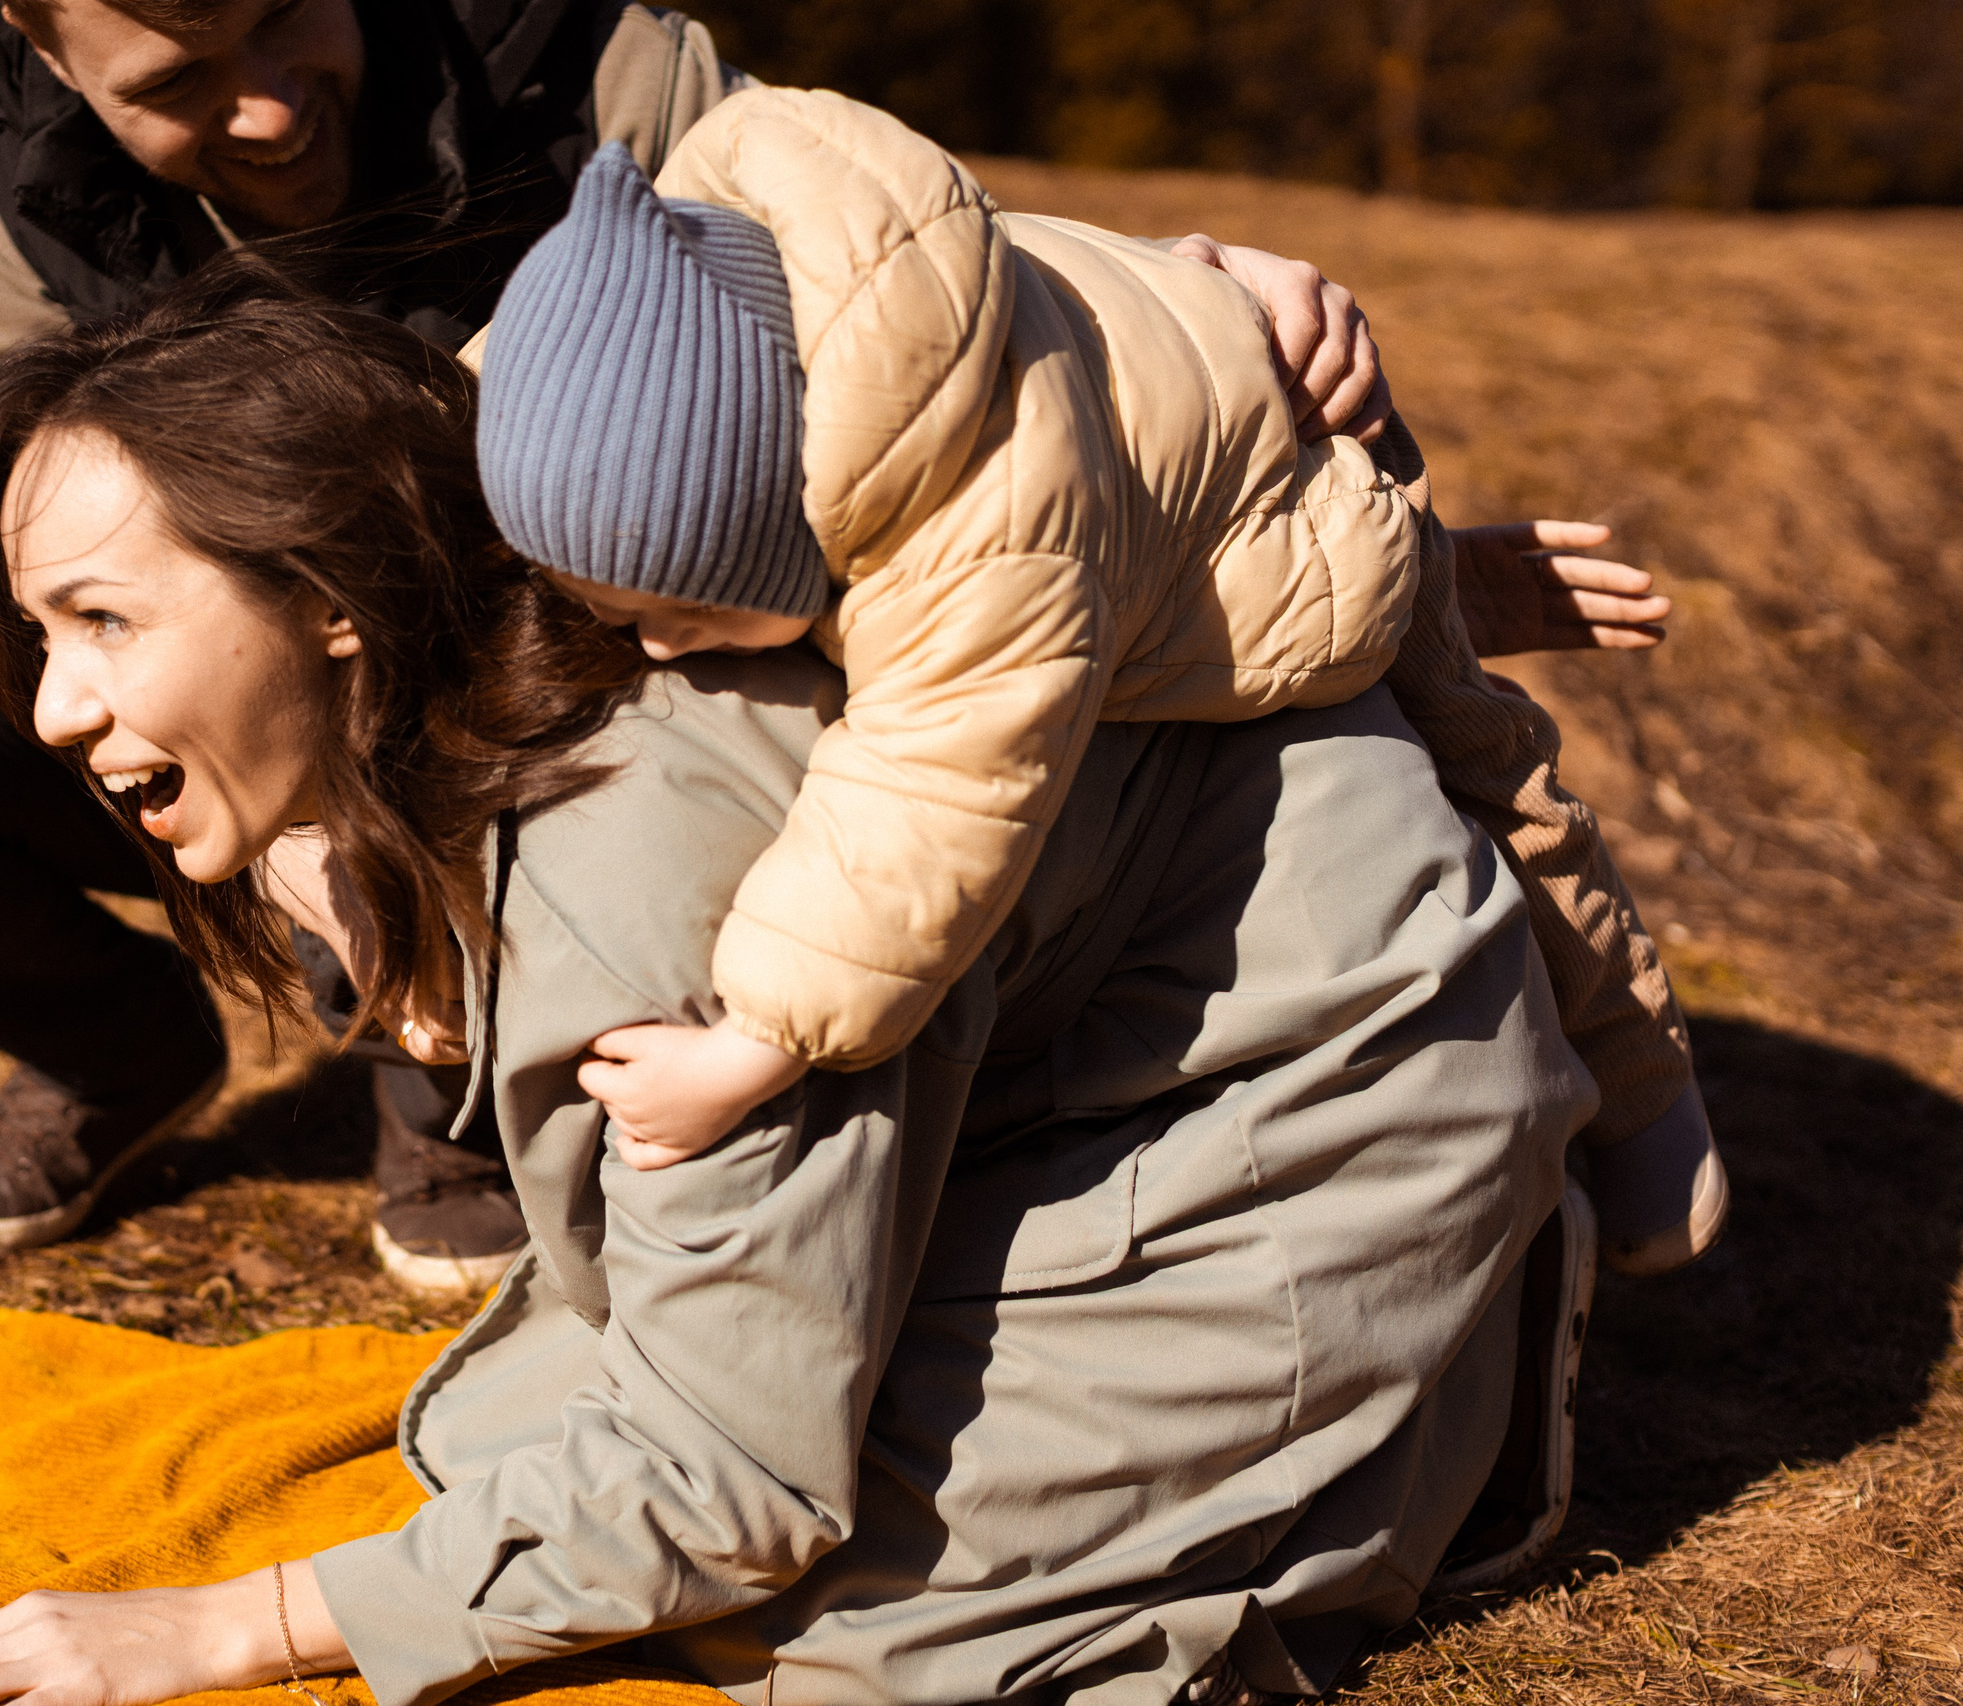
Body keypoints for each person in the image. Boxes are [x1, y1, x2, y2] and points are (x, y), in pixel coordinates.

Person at [0, 0, 1668, 1285]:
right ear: (37, 47)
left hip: (546, 601)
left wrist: (1168, 296)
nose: (269, 105)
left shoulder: (591, 62)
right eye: (177, 83)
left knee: (734, 685)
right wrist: (276, 823)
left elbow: (865, 302)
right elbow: (100, 582)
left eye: (292, 15)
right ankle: (125, 1044)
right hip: (239, 626)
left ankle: (437, 1077)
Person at [0, 258, 1597, 1706]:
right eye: (40, 636)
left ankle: (1474, 1397)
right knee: (552, 1452)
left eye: (101, 623)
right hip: (1102, 1054)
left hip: (1339, 1096)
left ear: (323, 592)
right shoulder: (545, 568)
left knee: (847, 1628)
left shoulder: (635, 865)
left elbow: (735, 1483)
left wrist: (216, 1628)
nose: (50, 709)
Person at [467, 94, 1724, 1278]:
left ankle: (1647, 1099)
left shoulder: (981, 532)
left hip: (1308, 527)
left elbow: (932, 795)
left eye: (685, 612)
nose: (662, 651)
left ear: (803, 516)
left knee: (1498, 786)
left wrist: (751, 1049)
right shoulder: (798, 275)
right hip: (1164, 447)